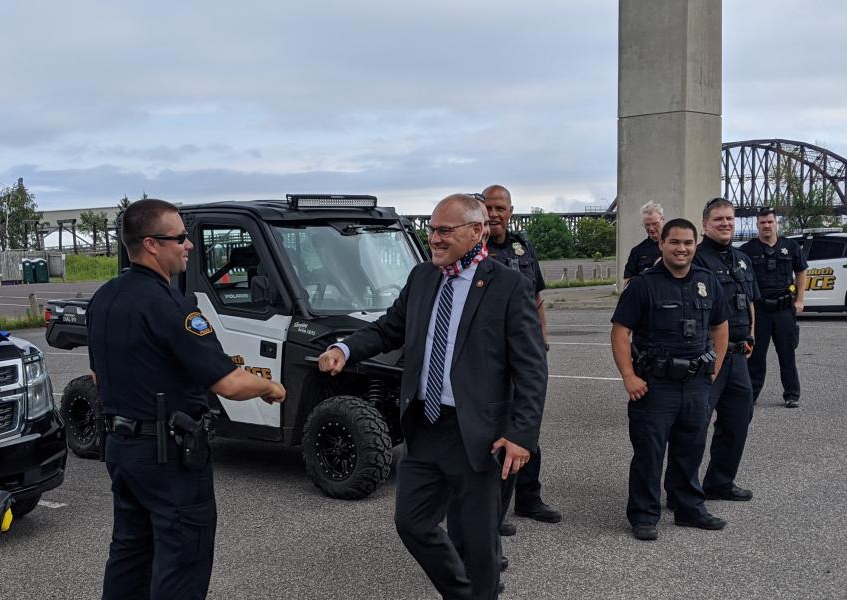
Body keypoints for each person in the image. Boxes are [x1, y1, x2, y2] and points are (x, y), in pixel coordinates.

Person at [318, 194, 546, 600]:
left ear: (476, 232)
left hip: (477, 432)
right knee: (412, 522)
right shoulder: (423, 277)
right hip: (425, 425)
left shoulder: (509, 285)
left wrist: (522, 434)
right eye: (432, 230)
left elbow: (530, 367)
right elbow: (389, 328)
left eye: (444, 231)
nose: (434, 239)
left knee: (477, 540)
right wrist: (346, 348)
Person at [87, 198, 286, 599]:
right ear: (151, 245)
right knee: (183, 561)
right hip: (168, 457)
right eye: (179, 238)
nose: (188, 245)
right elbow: (228, 384)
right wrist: (271, 388)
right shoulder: (170, 306)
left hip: (122, 450)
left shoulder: (103, 298)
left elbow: (97, 373)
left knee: (130, 553)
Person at [610, 217, 729, 541]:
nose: (682, 248)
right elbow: (621, 332)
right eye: (675, 242)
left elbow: (719, 326)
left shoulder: (707, 281)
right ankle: (644, 515)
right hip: (655, 385)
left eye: (688, 243)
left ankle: (688, 507)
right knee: (649, 453)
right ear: (661, 244)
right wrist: (629, 376)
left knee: (690, 448)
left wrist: (715, 369)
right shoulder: (644, 285)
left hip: (695, 384)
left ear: (695, 245)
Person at [480, 185, 560, 530]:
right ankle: (491, 512)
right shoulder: (474, 248)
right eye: (489, 208)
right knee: (495, 434)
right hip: (492, 356)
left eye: (500, 208)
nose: (494, 214)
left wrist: (541, 340)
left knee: (527, 428)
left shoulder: (522, 247)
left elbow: (537, 299)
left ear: (510, 210)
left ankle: (529, 499)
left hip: (524, 352)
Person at [669, 197, 759, 504]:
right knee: (694, 426)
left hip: (738, 355)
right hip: (707, 356)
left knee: (737, 420)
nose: (725, 224)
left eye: (730, 219)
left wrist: (752, 337)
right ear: (705, 224)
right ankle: (682, 491)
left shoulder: (743, 259)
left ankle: (720, 482)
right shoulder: (697, 258)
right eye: (718, 219)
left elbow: (748, 302)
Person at [739, 207, 808, 408]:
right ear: (757, 224)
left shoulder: (791, 246)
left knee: (787, 353)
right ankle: (751, 395)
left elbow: (802, 272)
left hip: (784, 309)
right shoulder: (747, 250)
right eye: (762, 222)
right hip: (760, 310)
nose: (766, 226)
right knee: (756, 356)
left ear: (776, 223)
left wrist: (800, 300)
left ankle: (792, 394)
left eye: (770, 222)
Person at [622, 202, 665, 283]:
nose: (651, 229)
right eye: (647, 225)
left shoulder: (675, 246)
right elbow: (627, 282)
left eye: (655, 224)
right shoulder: (637, 251)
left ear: (663, 219)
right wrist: (647, 274)